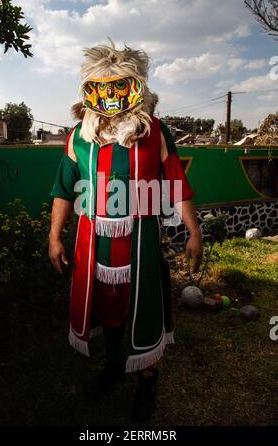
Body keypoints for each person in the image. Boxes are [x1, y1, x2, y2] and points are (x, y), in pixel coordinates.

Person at [49, 41, 202, 422]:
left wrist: (194, 230)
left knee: (144, 307)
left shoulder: (156, 133)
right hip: (93, 246)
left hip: (142, 244)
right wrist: (54, 236)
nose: (113, 95)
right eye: (105, 86)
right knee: (107, 308)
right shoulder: (77, 137)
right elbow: (63, 189)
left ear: (136, 87)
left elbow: (176, 182)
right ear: (92, 89)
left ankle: (148, 379)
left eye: (121, 85)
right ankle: (115, 367)